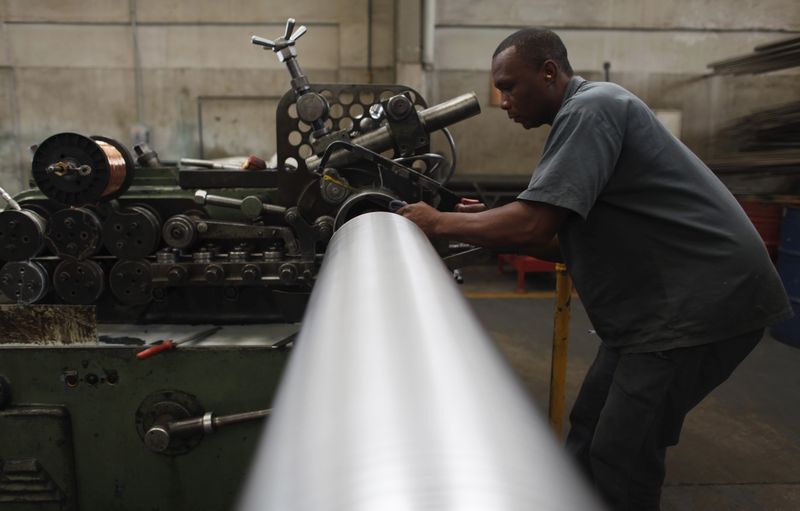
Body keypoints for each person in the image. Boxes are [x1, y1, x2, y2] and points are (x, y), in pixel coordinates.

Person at [398, 28, 792, 510]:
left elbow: (534, 225)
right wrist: (472, 221)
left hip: (698, 307)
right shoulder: (582, 116)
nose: (503, 101)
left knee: (622, 454)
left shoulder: (592, 108)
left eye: (510, 86)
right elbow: (554, 238)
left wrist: (440, 222)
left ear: (549, 71)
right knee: (589, 430)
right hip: (657, 311)